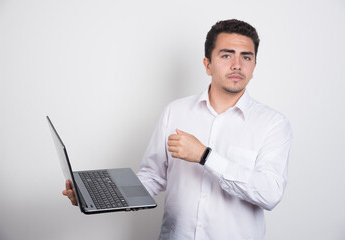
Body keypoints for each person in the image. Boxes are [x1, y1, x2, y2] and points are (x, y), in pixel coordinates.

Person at [63, 19, 292, 240]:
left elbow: (270, 194)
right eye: (226, 55)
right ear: (207, 65)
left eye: (246, 57)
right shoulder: (175, 111)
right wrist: (95, 197)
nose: (237, 65)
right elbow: (152, 176)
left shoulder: (272, 124)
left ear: (254, 66)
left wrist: (205, 156)